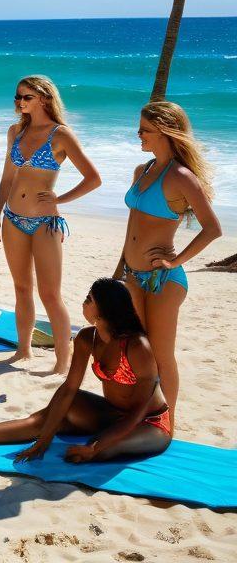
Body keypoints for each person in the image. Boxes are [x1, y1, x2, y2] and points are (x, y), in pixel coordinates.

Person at [0, 277, 172, 462]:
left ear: (105, 310)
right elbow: (68, 389)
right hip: (111, 413)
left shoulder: (137, 346)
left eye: (89, 300)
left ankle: (100, 446)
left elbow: (138, 410)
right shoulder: (88, 338)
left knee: (98, 452)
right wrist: (45, 438)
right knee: (44, 418)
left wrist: (97, 446)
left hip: (149, 422)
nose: (83, 304)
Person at [0, 76, 101, 373]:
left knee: (50, 294)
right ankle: (23, 350)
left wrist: (58, 200)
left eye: (26, 97)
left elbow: (93, 178)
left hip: (44, 223)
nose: (20, 102)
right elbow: (6, 178)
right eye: (17, 97)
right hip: (12, 218)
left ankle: (63, 363)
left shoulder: (60, 135)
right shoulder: (15, 132)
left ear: (44, 98)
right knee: (21, 287)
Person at [118, 101, 220, 420]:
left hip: (163, 281)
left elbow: (212, 228)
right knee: (138, 354)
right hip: (133, 275)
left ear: (164, 132)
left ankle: (167, 422)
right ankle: (142, 415)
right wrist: (119, 270)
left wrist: (175, 262)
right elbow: (132, 227)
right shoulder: (143, 170)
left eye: (144, 130)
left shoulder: (181, 177)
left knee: (162, 357)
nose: (138, 135)